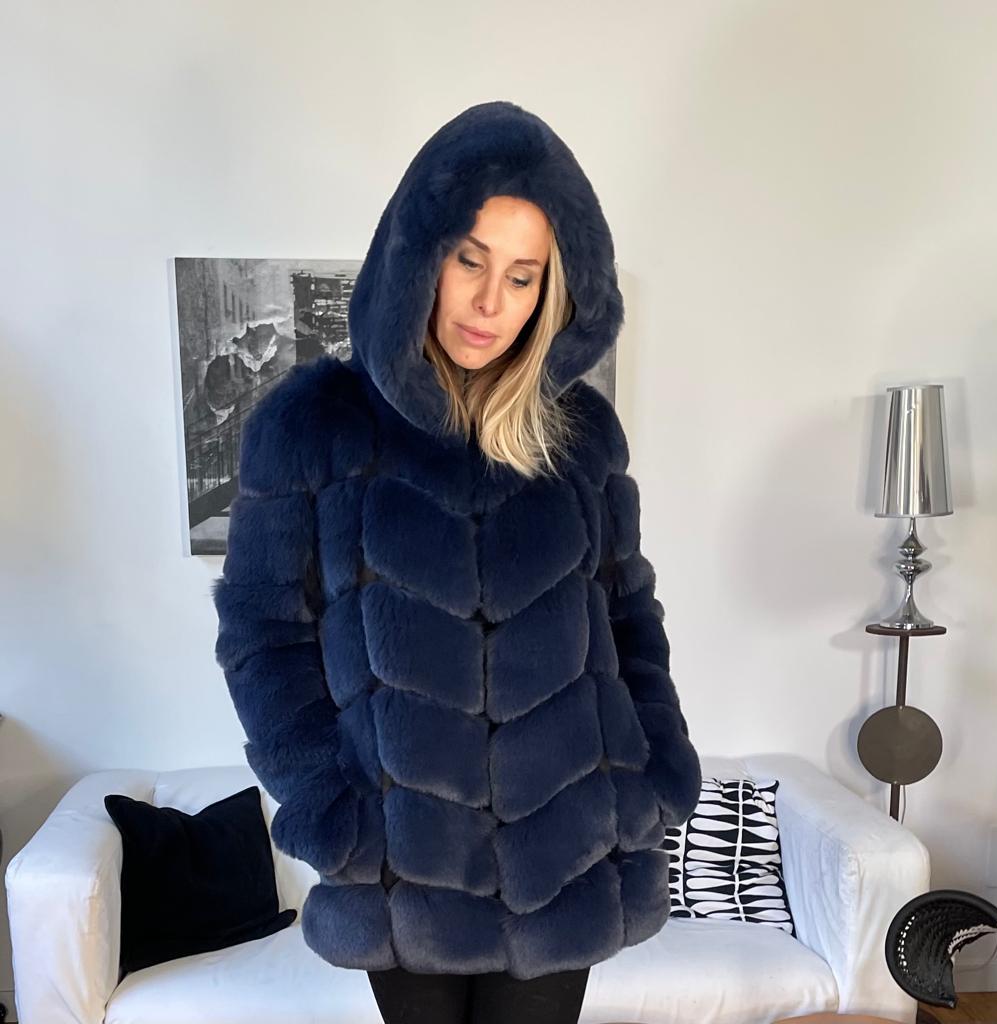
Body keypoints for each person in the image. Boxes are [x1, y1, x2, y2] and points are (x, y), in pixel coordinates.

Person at [213, 99, 702, 1024]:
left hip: (567, 853)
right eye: (470, 259)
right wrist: (331, 807)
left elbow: (628, 612)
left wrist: (657, 769)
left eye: (522, 276)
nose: (490, 303)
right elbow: (262, 637)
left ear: (552, 290)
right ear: (417, 253)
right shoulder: (313, 427)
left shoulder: (580, 437)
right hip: (404, 865)